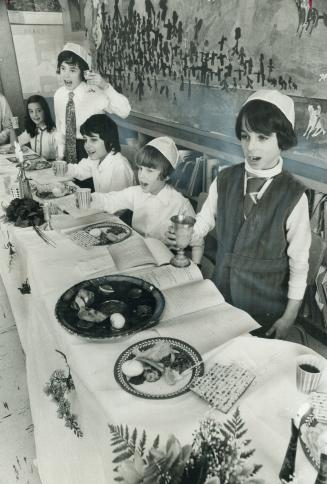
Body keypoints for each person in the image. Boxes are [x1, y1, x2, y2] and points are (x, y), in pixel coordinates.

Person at [170, 89, 311, 339]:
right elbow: (204, 221)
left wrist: (288, 317)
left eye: (262, 137)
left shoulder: (294, 196)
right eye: (245, 137)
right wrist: (189, 233)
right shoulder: (225, 179)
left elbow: (299, 264)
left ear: (283, 140)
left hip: (265, 306)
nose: (251, 147)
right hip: (221, 293)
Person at [91, 136, 197, 244]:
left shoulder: (181, 204)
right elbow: (110, 200)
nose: (141, 176)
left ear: (166, 176)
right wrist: (90, 199)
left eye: (149, 171)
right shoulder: (136, 192)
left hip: (164, 255)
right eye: (140, 169)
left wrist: (183, 238)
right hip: (138, 248)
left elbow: (196, 239)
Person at [54, 42, 131, 165]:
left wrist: (105, 86)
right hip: (68, 153)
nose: (66, 75)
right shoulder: (59, 94)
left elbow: (124, 111)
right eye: (63, 68)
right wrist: (60, 154)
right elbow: (60, 127)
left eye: (72, 70)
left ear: (83, 72)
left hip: (91, 151)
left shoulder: (94, 92)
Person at [59, 114, 134, 193]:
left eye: (93, 140)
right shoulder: (96, 158)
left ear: (110, 141)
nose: (87, 145)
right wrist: (63, 168)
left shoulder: (120, 167)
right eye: (85, 140)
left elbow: (118, 203)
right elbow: (79, 170)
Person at [18, 95, 57, 160]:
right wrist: (11, 127)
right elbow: (16, 144)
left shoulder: (54, 132)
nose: (35, 115)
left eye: (38, 110)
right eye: (31, 111)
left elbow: (60, 158)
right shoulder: (32, 129)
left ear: (45, 111)